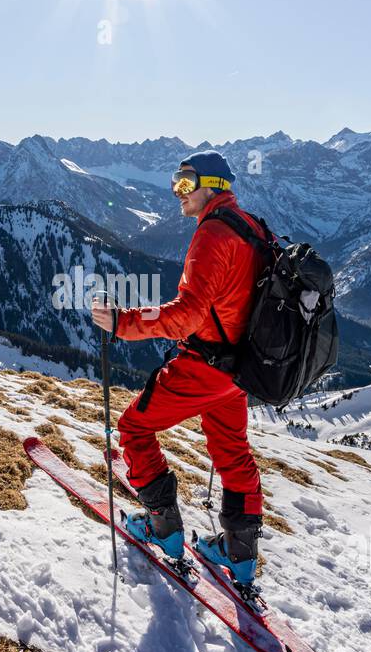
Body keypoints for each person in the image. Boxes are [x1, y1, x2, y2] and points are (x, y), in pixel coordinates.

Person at [91, 150, 269, 590]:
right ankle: (239, 557)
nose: (177, 192)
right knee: (232, 452)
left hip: (206, 365)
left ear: (214, 186)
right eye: (175, 182)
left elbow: (188, 314)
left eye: (186, 183)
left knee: (133, 429)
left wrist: (123, 323)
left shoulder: (212, 234)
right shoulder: (253, 228)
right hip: (241, 369)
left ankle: (163, 529)